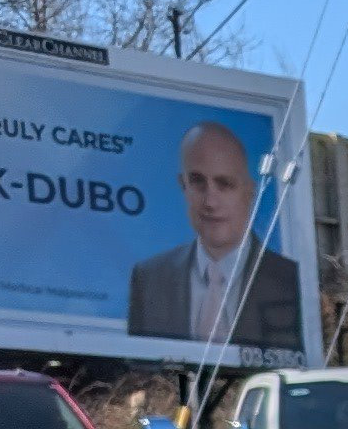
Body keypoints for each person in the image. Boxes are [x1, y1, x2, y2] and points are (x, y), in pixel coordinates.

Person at [125, 121, 301, 354]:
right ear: (183, 185)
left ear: (250, 191)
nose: (210, 202)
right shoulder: (150, 279)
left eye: (225, 184)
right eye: (197, 182)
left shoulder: (289, 280)